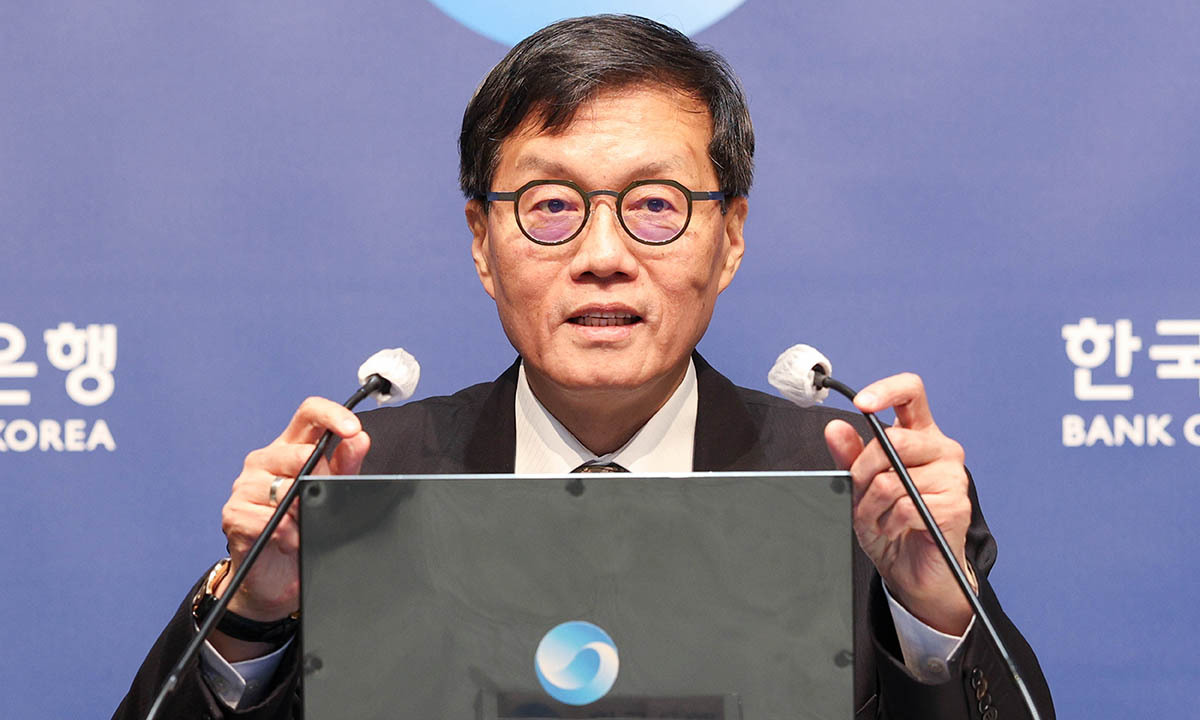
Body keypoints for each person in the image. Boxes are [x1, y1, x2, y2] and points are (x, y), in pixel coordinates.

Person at [114, 14, 1054, 720]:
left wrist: (933, 609)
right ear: (481, 242)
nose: (603, 255)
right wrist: (252, 616)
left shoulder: (857, 487)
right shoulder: (361, 485)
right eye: (552, 205)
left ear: (730, 238)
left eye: (655, 204)